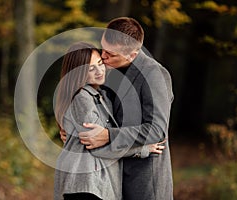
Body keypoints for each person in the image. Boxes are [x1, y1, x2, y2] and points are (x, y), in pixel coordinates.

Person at [76, 17, 174, 199]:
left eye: (110, 54)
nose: (103, 57)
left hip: (144, 182)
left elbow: (157, 130)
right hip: (112, 177)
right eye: (102, 49)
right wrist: (71, 128)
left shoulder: (155, 74)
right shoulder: (109, 71)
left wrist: (108, 135)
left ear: (132, 55)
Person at [54, 42, 166, 200]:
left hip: (96, 184)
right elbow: (97, 146)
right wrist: (142, 149)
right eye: (91, 68)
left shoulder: (102, 96)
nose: (99, 71)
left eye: (100, 63)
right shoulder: (82, 99)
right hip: (86, 184)